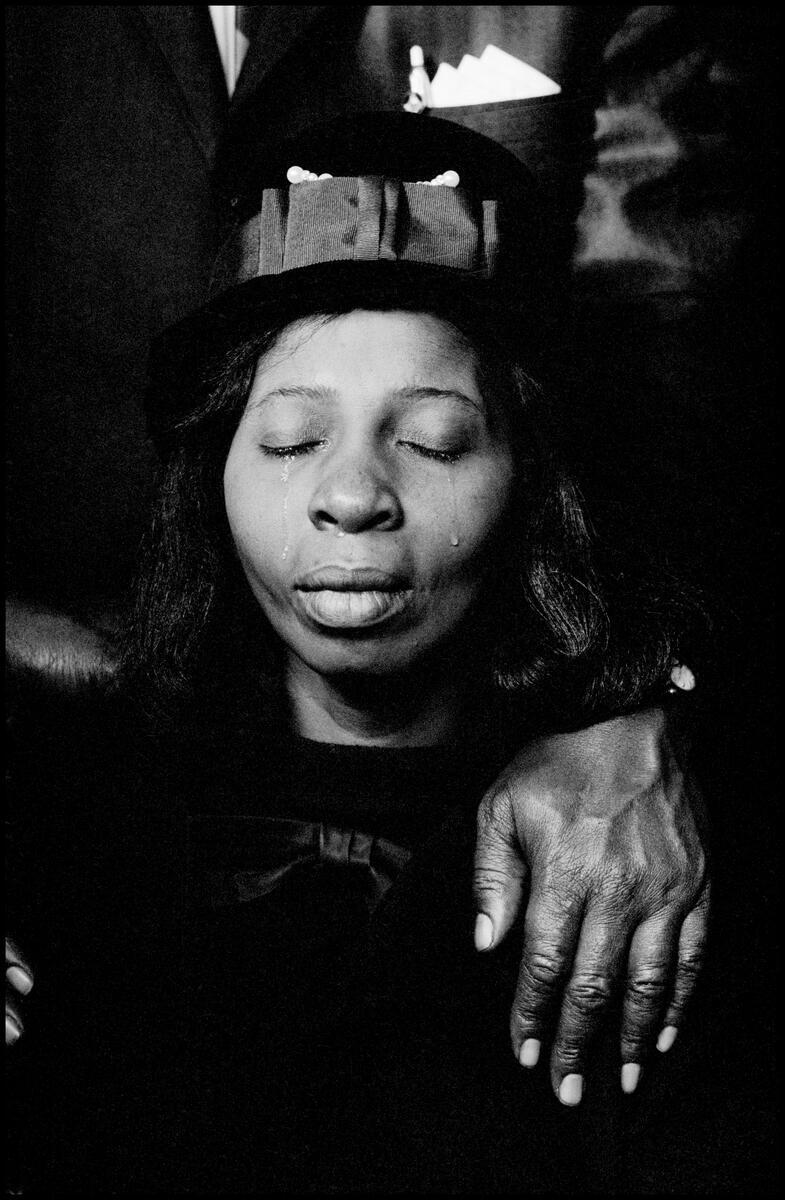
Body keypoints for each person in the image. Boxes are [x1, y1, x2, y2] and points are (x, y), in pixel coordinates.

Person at [6, 112, 721, 1194]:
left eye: (431, 441)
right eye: (290, 439)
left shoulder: (634, 840)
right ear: (212, 477)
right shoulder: (64, 820)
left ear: (533, 489)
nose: (351, 495)